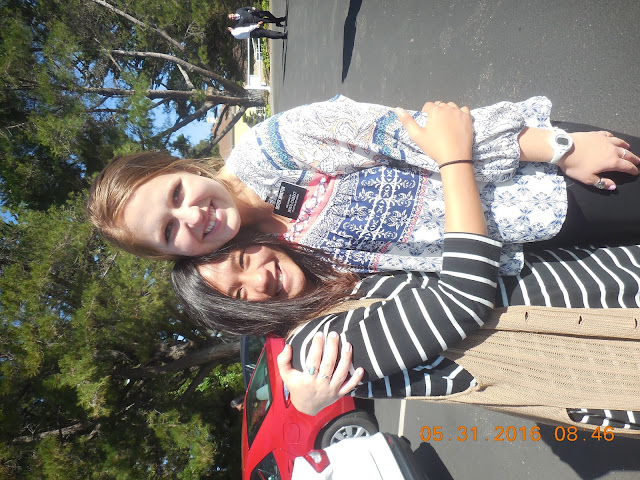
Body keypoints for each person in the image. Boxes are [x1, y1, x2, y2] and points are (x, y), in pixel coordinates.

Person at [170, 106, 640, 432]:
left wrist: (555, 145)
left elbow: (406, 133)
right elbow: (461, 298)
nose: (258, 279)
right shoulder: (317, 349)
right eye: (239, 295)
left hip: (556, 217)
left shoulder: (317, 261)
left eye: (243, 260)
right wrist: (455, 161)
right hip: (599, 328)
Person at [86, 96, 640, 277]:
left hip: (540, 185)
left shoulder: (275, 147)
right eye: (168, 231)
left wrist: (558, 147)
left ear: (185, 168)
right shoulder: (256, 264)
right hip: (528, 261)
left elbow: (417, 137)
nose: (190, 217)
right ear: (171, 254)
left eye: (175, 195)